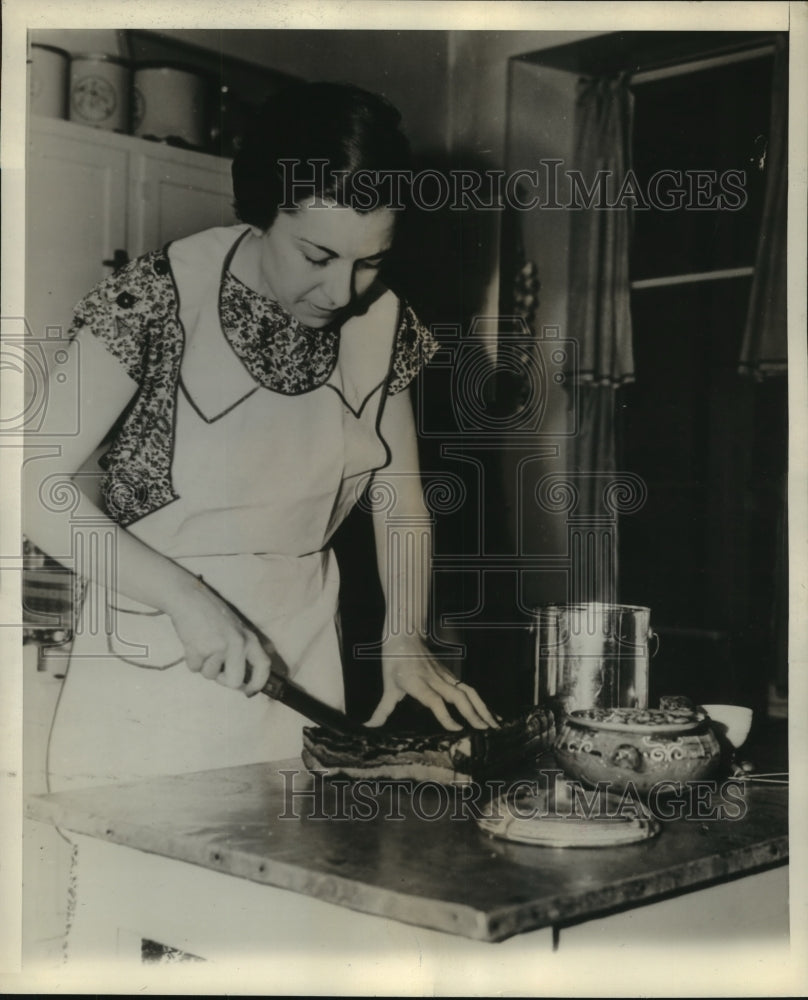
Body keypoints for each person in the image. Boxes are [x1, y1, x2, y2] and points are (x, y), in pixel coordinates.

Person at [24, 82, 497, 796]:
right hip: (152, 674)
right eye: (317, 256)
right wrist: (187, 598)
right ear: (261, 210)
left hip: (305, 664)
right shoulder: (156, 298)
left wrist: (405, 633)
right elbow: (28, 487)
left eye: (371, 261)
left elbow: (398, 497)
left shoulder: (384, 322)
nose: (343, 292)